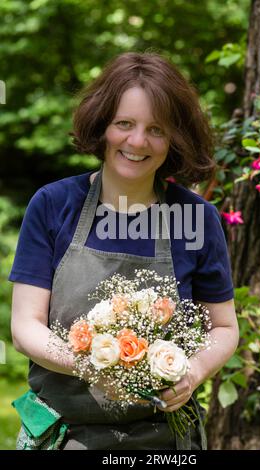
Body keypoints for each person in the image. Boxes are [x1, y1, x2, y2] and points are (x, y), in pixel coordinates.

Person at [9, 51, 239, 450]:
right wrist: (91, 364)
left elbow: (224, 327)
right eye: (124, 124)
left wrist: (193, 371)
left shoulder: (197, 218)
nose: (137, 141)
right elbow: (25, 326)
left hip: (165, 441)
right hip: (64, 434)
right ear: (103, 126)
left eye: (156, 129)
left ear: (176, 138)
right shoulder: (52, 205)